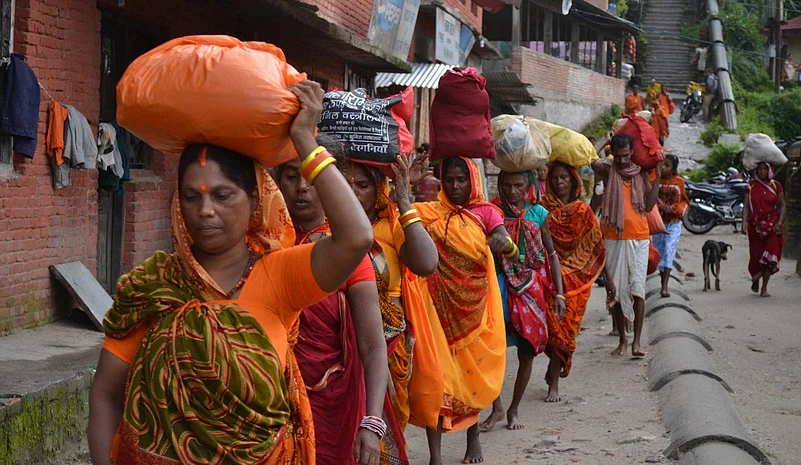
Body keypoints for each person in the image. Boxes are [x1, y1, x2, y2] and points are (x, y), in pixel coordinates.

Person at [88, 81, 377, 464]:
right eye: (193, 197)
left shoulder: (279, 276)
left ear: (255, 199)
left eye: (222, 196)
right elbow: (106, 395)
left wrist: (306, 141)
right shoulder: (154, 285)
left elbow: (356, 238)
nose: (206, 211)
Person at [276, 134, 390, 465]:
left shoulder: (349, 253)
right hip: (268, 400)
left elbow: (372, 345)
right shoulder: (262, 244)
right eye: (290, 174)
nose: (301, 187)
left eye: (312, 178)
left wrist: (372, 421)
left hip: (330, 404)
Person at [334, 150, 442, 464]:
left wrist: (405, 199)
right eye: (346, 182)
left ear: (379, 188)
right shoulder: (326, 230)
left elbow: (427, 262)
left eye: (363, 185)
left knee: (385, 430)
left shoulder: (390, 225)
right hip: (339, 346)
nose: (353, 191)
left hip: (388, 346)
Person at [416, 156, 516, 465]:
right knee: (436, 381)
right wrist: (406, 184)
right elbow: (396, 216)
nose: (456, 186)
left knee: (471, 378)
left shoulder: (486, 212)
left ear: (472, 180)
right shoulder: (430, 212)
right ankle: (435, 456)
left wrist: (504, 242)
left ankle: (473, 440)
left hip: (474, 313)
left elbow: (506, 240)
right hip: (436, 310)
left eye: (462, 179)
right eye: (450, 180)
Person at [479, 170, 566, 431]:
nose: (512, 190)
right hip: (497, 285)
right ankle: (496, 408)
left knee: (526, 351)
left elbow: (551, 254)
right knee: (491, 350)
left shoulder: (539, 214)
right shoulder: (491, 211)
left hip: (530, 288)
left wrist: (559, 293)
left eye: (518, 185)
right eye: (507, 185)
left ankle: (513, 409)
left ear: (528, 185)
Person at [540, 161, 607, 401]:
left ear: (574, 181)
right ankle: (554, 368)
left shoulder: (583, 211)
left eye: (564, 178)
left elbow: (595, 245)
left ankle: (554, 382)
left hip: (578, 280)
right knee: (552, 328)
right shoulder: (542, 208)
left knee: (566, 331)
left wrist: (609, 283)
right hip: (552, 278)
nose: (559, 182)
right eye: (555, 178)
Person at [595, 134, 662, 357]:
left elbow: (650, 204)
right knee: (615, 290)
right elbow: (588, 158)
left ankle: (636, 342)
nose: (623, 161)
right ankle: (622, 340)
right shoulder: (607, 170)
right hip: (612, 238)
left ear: (632, 152)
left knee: (637, 290)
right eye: (619, 156)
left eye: (626, 155)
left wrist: (658, 177)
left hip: (639, 238)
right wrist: (605, 141)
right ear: (613, 153)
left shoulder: (642, 173)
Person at [743, 162, 786, 298]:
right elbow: (746, 207)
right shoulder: (751, 186)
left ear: (769, 170)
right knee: (756, 258)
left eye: (764, 169)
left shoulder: (776, 186)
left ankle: (764, 287)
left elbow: (782, 206)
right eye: (759, 169)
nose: (762, 172)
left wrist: (779, 222)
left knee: (770, 256)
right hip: (755, 227)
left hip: (773, 226)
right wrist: (744, 222)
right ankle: (755, 278)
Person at [651, 155, 688, 298]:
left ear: (673, 168)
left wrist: (674, 210)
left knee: (668, 250)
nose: (663, 168)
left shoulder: (679, 183)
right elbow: (650, 200)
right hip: (658, 224)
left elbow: (684, 202)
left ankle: (665, 286)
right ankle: (662, 281)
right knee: (660, 253)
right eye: (662, 165)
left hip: (673, 224)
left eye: (667, 165)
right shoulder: (654, 181)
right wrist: (661, 207)